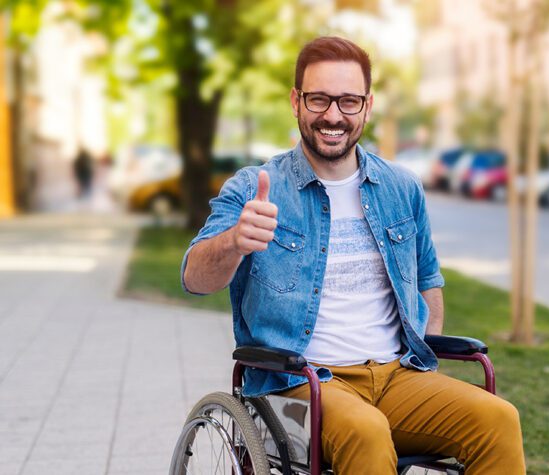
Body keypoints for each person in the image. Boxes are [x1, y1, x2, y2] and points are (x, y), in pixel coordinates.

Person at [180, 36, 525, 474]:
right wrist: (234, 241)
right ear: (296, 101)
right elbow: (194, 278)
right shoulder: (254, 187)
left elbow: (427, 282)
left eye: (348, 101)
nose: (333, 116)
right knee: (366, 430)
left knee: (498, 419)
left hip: (395, 376)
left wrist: (424, 362)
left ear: (367, 106)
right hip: (298, 384)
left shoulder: (401, 188)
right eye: (319, 99)